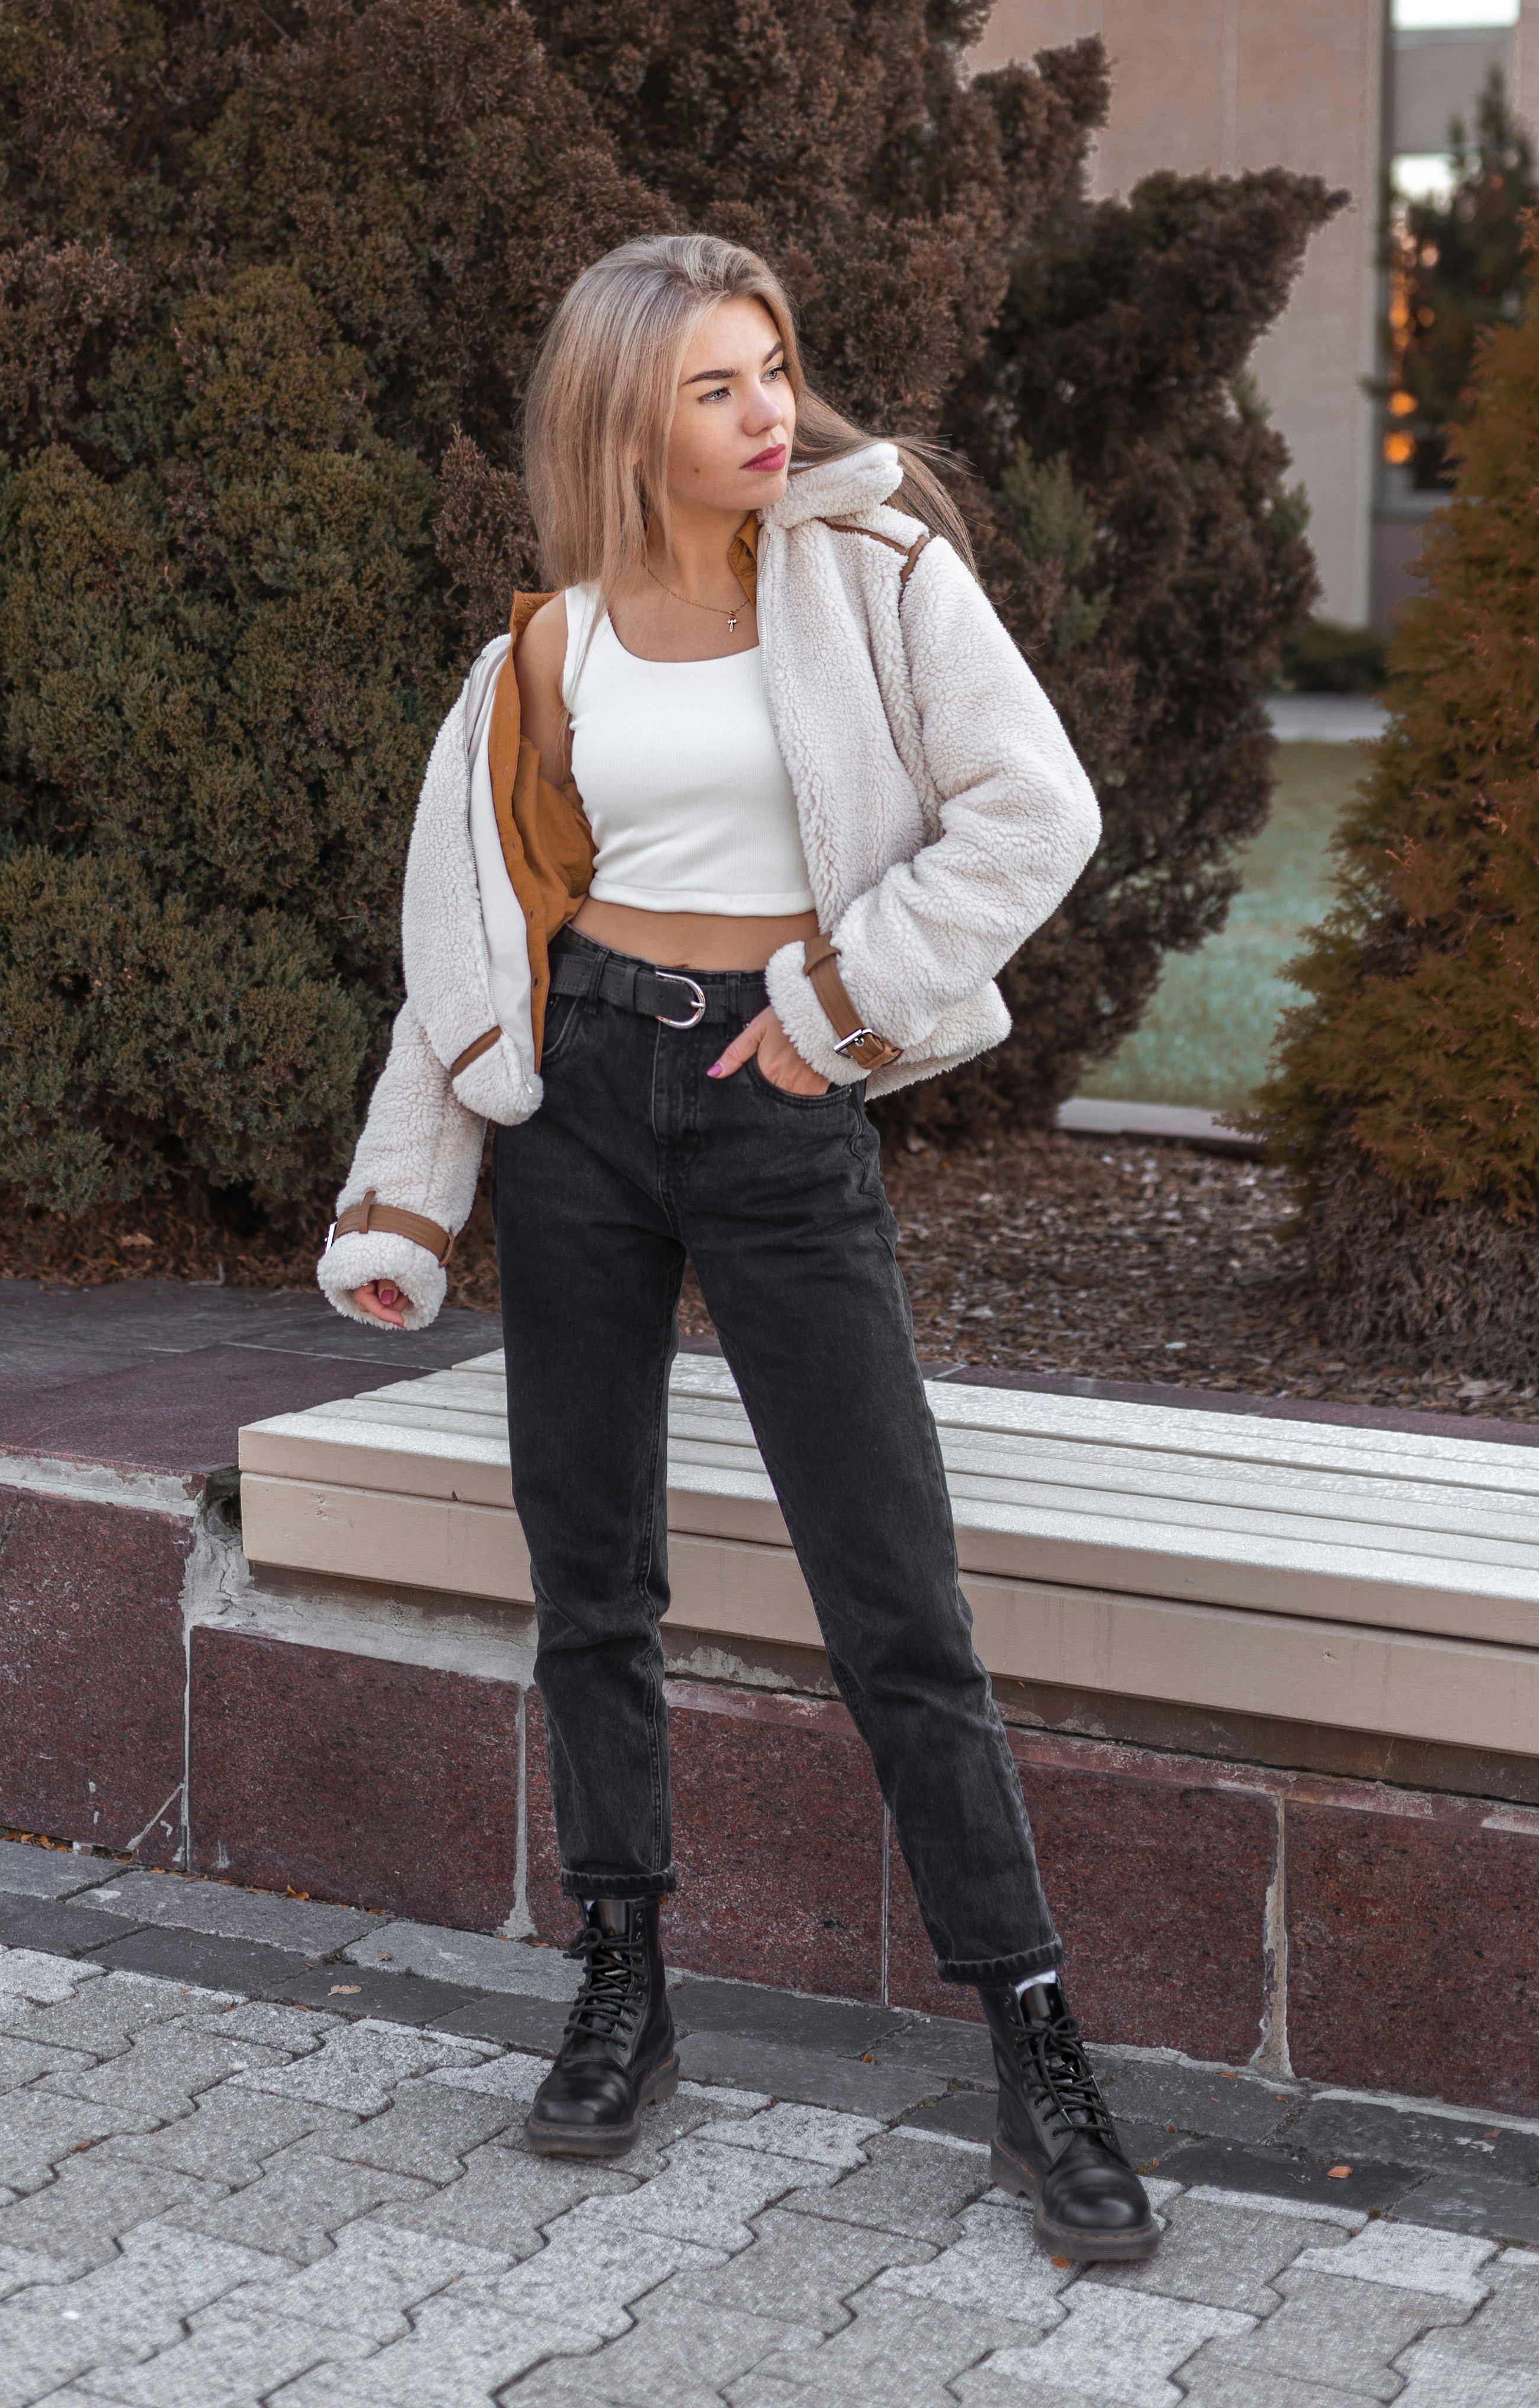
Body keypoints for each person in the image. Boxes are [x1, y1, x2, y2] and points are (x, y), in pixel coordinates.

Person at [316, 233, 1155, 2264]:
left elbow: (1037, 815)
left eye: (775, 367)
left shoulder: (878, 582)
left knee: (896, 1598)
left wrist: (847, 998)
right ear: (625, 420)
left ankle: (1035, 2040)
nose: (771, 412)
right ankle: (624, 1984)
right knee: (590, 1579)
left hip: (784, 1106)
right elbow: (469, 947)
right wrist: (405, 1199)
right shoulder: (544, 656)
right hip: (590, 1107)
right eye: (716, 386)